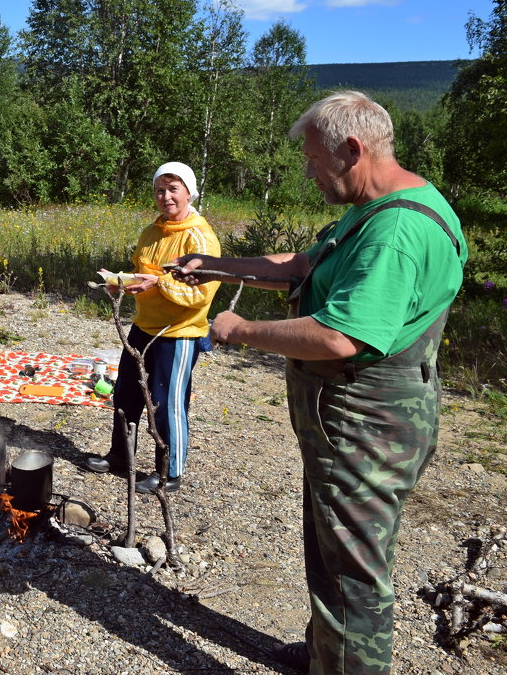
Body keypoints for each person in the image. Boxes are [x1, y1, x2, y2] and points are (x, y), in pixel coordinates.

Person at [169, 91, 467, 674]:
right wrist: (216, 266)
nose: (308, 172)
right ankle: (326, 655)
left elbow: (339, 337)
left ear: (352, 150)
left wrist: (238, 328)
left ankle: (347, 662)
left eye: (313, 159)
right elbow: (307, 265)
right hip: (349, 426)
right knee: (333, 554)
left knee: (352, 574)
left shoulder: (396, 233)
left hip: (367, 427)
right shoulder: (380, 205)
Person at [87, 161, 220, 494]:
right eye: (160, 190)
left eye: (173, 188)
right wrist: (121, 283)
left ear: (189, 192)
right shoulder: (151, 231)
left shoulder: (200, 237)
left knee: (166, 403)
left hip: (178, 333)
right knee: (126, 395)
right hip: (142, 327)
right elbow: (140, 273)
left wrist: (157, 284)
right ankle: (121, 457)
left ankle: (169, 472)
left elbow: (200, 293)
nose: (166, 196)